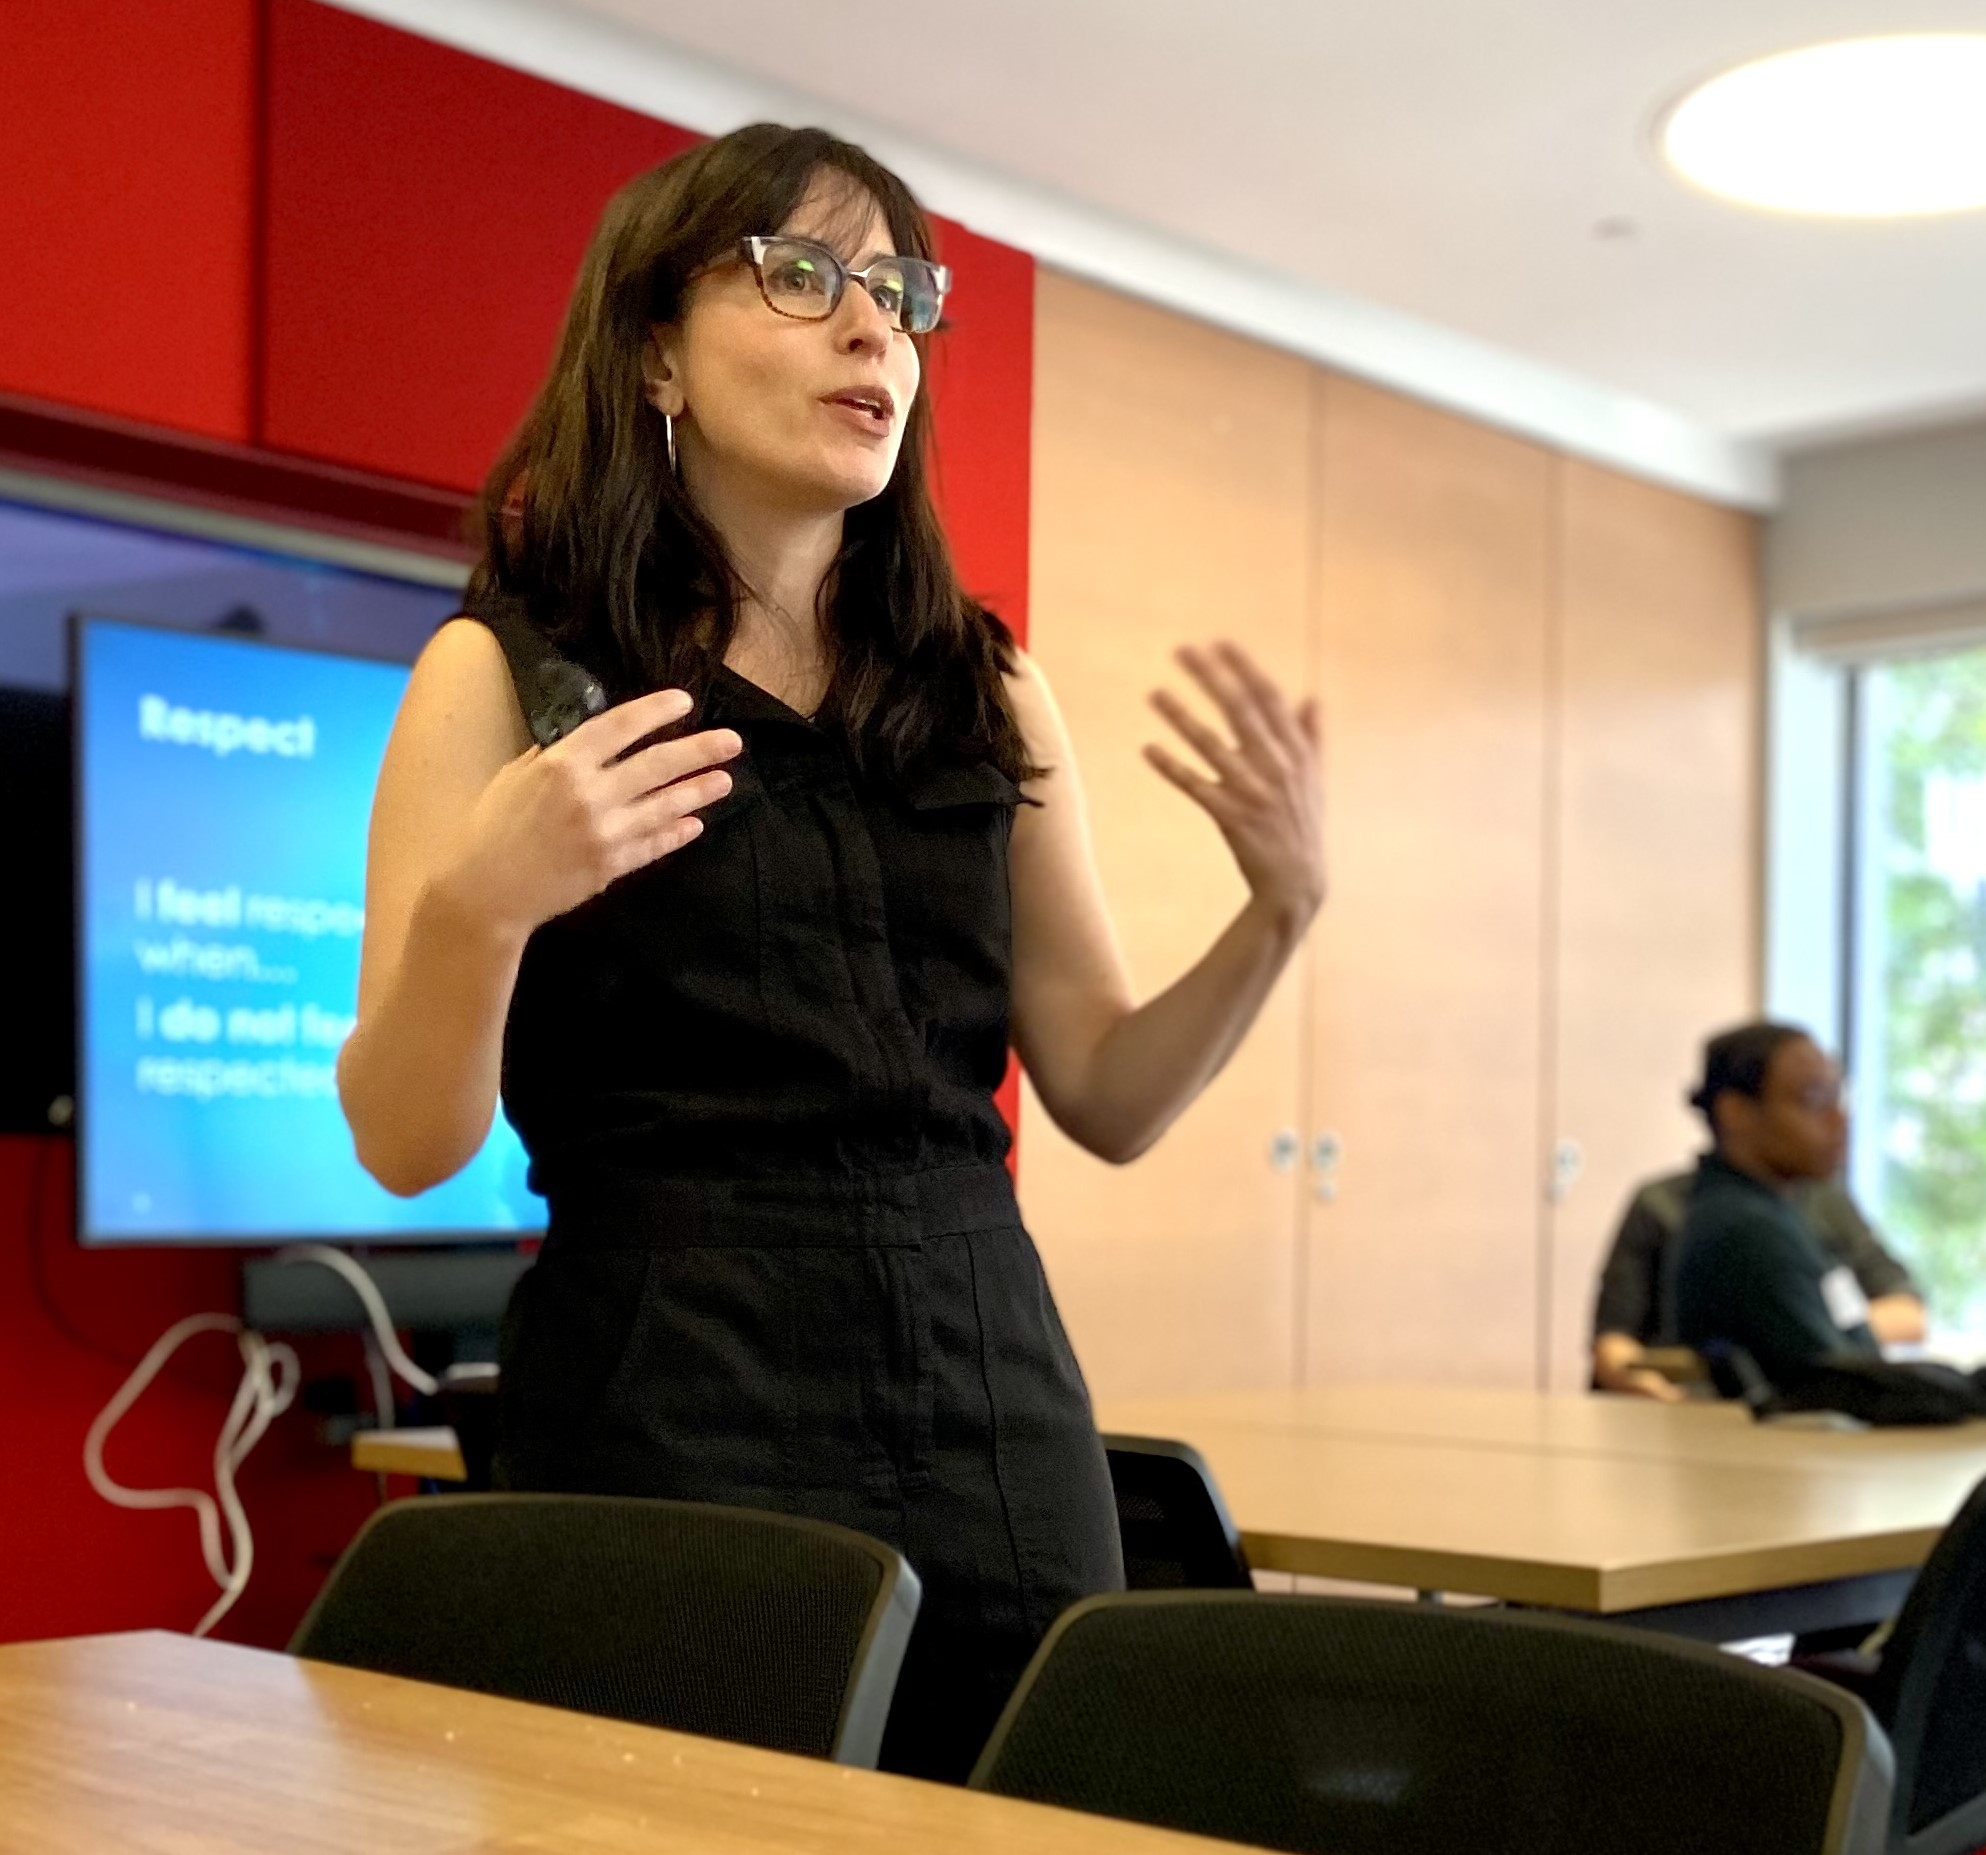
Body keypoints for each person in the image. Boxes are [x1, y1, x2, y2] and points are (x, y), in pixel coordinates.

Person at [334, 124, 1325, 1783]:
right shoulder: (506, 672)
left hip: (989, 1396)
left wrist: (1278, 913)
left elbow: (1107, 1090)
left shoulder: (983, 687)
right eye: (801, 278)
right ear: (653, 341)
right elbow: (403, 1139)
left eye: (895, 290)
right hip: (667, 1396)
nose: (874, 330)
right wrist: (482, 905)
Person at [1592, 1142, 1924, 1403]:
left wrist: (1803, 1323)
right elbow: (1613, 1339)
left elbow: (1907, 1313)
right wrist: (1644, 1383)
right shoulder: (1663, 1204)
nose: (1835, 1120)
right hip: (1686, 1407)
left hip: (1815, 1408)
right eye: (1808, 1102)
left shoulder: (1827, 1202)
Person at [1670, 1022, 1899, 1386]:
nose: (1838, 1120)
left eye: (1837, 1098)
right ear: (1737, 1113)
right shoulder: (1747, 1229)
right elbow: (1838, 1385)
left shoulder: (1779, 1210)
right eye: (1813, 1100)